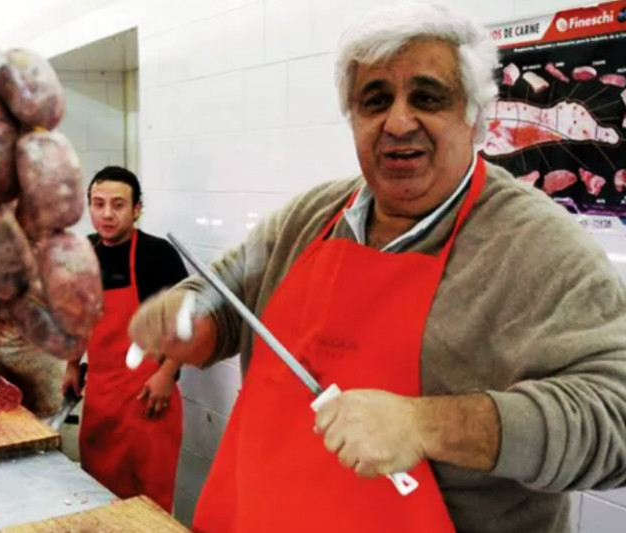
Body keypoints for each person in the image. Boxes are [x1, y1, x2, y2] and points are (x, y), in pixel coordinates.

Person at [127, 2, 626, 532]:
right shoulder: (309, 217)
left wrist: (426, 424)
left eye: (428, 97)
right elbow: (222, 298)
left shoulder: (538, 246)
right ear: (354, 117)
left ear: (474, 115)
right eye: (375, 100)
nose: (399, 121)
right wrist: (186, 315)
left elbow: (615, 416)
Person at [62, 165, 187, 513]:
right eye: (98, 204)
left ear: (137, 209)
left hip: (149, 401)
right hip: (101, 403)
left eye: (118, 205)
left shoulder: (157, 255)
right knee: (102, 503)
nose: (106, 213)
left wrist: (168, 373)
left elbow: (187, 321)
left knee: (150, 509)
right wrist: (73, 364)